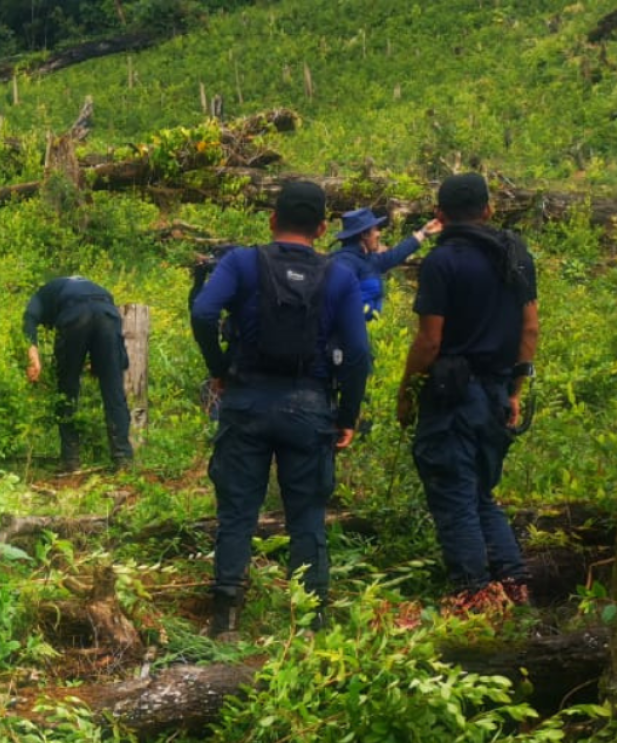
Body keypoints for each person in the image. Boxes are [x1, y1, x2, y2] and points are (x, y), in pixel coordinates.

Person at [191, 181, 370, 635]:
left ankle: (226, 618)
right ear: (324, 228)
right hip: (309, 408)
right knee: (307, 513)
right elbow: (358, 353)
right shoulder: (340, 276)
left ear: (272, 219)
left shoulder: (241, 262)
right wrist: (346, 416)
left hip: (246, 401)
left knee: (237, 510)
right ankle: (310, 622)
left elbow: (204, 313)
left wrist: (220, 369)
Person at [397, 173, 538, 613]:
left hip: (452, 397)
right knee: (480, 492)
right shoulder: (514, 256)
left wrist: (407, 390)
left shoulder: (443, 262)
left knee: (455, 492)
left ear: (439, 215)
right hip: (495, 391)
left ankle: (473, 597)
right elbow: (530, 327)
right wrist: (514, 390)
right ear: (488, 210)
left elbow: (429, 341)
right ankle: (515, 589)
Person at [23, 276, 134, 472]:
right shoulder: (90, 287)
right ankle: (123, 459)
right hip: (108, 313)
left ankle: (70, 460)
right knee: (114, 388)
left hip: (75, 314)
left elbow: (29, 320)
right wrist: (103, 363)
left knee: (66, 389)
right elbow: (120, 358)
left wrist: (33, 359)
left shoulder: (40, 296)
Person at [332, 207, 442, 321]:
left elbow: (395, 255)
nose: (379, 234)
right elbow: (339, 304)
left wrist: (423, 233)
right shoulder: (343, 262)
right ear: (364, 234)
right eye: (375, 229)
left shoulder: (370, 259)